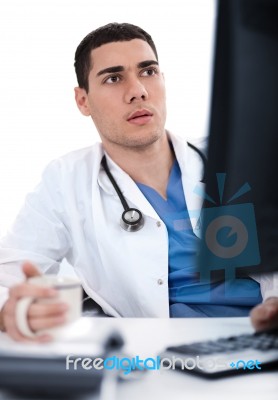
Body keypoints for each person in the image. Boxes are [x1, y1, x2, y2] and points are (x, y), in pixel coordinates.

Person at [0, 23, 277, 342]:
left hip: (263, 337)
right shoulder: (66, 181)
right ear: (83, 101)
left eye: (148, 72)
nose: (138, 91)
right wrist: (11, 310)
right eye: (113, 78)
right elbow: (8, 276)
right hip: (169, 353)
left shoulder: (232, 154)